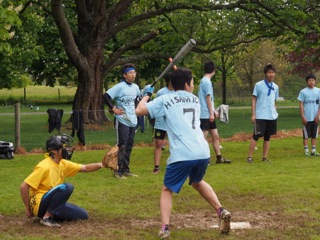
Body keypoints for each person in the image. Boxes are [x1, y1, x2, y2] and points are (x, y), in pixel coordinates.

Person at [136, 67, 231, 239]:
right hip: (202, 151)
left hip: (182, 153)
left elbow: (139, 111)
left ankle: (164, 228)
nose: (193, 85)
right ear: (187, 85)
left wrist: (146, 94)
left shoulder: (165, 99)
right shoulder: (194, 99)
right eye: (192, 82)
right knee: (197, 181)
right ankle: (221, 210)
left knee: (167, 189)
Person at [20, 134, 106, 228]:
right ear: (54, 150)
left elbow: (85, 168)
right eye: (64, 147)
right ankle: (47, 218)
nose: (67, 149)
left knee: (83, 215)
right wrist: (28, 208)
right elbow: (23, 186)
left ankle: (51, 214)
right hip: (39, 204)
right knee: (67, 187)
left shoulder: (62, 163)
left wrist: (102, 164)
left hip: (49, 202)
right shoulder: (44, 166)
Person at [103, 63, 140, 179]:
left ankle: (126, 169)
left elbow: (137, 100)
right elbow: (106, 96)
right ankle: (117, 171)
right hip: (122, 120)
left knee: (129, 145)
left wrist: (136, 110)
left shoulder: (136, 87)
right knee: (122, 145)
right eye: (130, 73)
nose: (133, 75)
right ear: (125, 75)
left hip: (132, 120)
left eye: (134, 72)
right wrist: (113, 109)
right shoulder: (119, 87)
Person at [198, 61, 231, 164]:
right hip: (205, 114)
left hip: (208, 112)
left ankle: (219, 157)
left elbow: (209, 99)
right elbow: (208, 98)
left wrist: (213, 111)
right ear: (214, 71)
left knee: (215, 136)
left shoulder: (205, 81)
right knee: (203, 137)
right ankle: (203, 159)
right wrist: (211, 113)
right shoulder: (206, 82)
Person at [247, 63, 279, 163]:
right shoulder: (259, 85)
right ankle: (249, 157)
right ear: (265, 74)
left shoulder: (276, 87)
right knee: (256, 136)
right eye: (269, 73)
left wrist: (275, 111)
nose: (271, 74)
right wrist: (253, 114)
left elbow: (274, 100)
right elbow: (254, 99)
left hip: (271, 116)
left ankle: (264, 157)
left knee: (268, 137)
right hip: (261, 115)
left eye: (273, 73)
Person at [152, 73, 174, 174]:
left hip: (173, 122)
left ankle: (174, 164)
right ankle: (156, 166)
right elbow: (155, 106)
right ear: (168, 81)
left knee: (174, 143)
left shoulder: (178, 92)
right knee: (159, 143)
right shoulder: (161, 92)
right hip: (161, 123)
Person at [297, 73, 320, 156]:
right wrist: (303, 116)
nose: (311, 82)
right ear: (307, 82)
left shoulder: (318, 91)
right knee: (306, 135)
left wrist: (318, 115)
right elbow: (301, 104)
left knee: (314, 135)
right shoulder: (303, 92)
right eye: (309, 80)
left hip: (315, 118)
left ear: (315, 81)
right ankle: (306, 151)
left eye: (313, 80)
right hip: (306, 118)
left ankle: (313, 150)